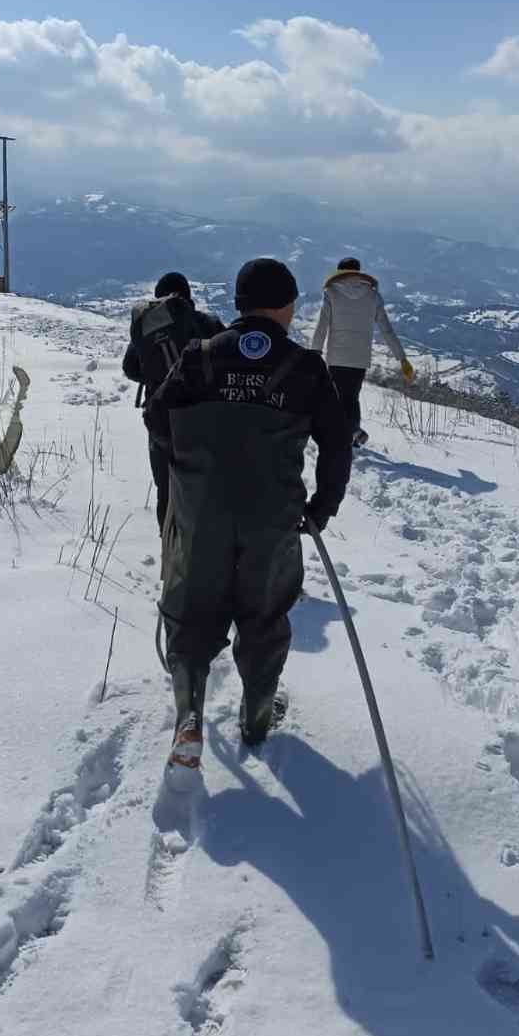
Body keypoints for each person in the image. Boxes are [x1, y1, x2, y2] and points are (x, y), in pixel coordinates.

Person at [146, 257, 352, 778]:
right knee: (263, 620)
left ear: (238, 303)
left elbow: (156, 416)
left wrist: (186, 470)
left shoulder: (199, 356)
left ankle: (189, 716)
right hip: (271, 519)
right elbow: (336, 445)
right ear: (286, 306)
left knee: (191, 617)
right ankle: (257, 718)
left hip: (201, 516)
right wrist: (320, 509)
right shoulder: (306, 368)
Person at [123, 273, 224, 532]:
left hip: (159, 419)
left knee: (166, 489)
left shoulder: (147, 326)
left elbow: (130, 368)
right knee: (206, 488)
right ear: (187, 296)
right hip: (204, 417)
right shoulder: (206, 322)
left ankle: (170, 552)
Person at [311, 257, 414, 447]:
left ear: (339, 272)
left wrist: (315, 352)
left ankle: (351, 433)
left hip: (337, 357)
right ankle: (351, 437)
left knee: (338, 397)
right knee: (351, 397)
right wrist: (403, 359)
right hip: (360, 359)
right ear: (358, 272)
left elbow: (322, 326)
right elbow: (387, 330)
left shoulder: (331, 292)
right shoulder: (373, 296)